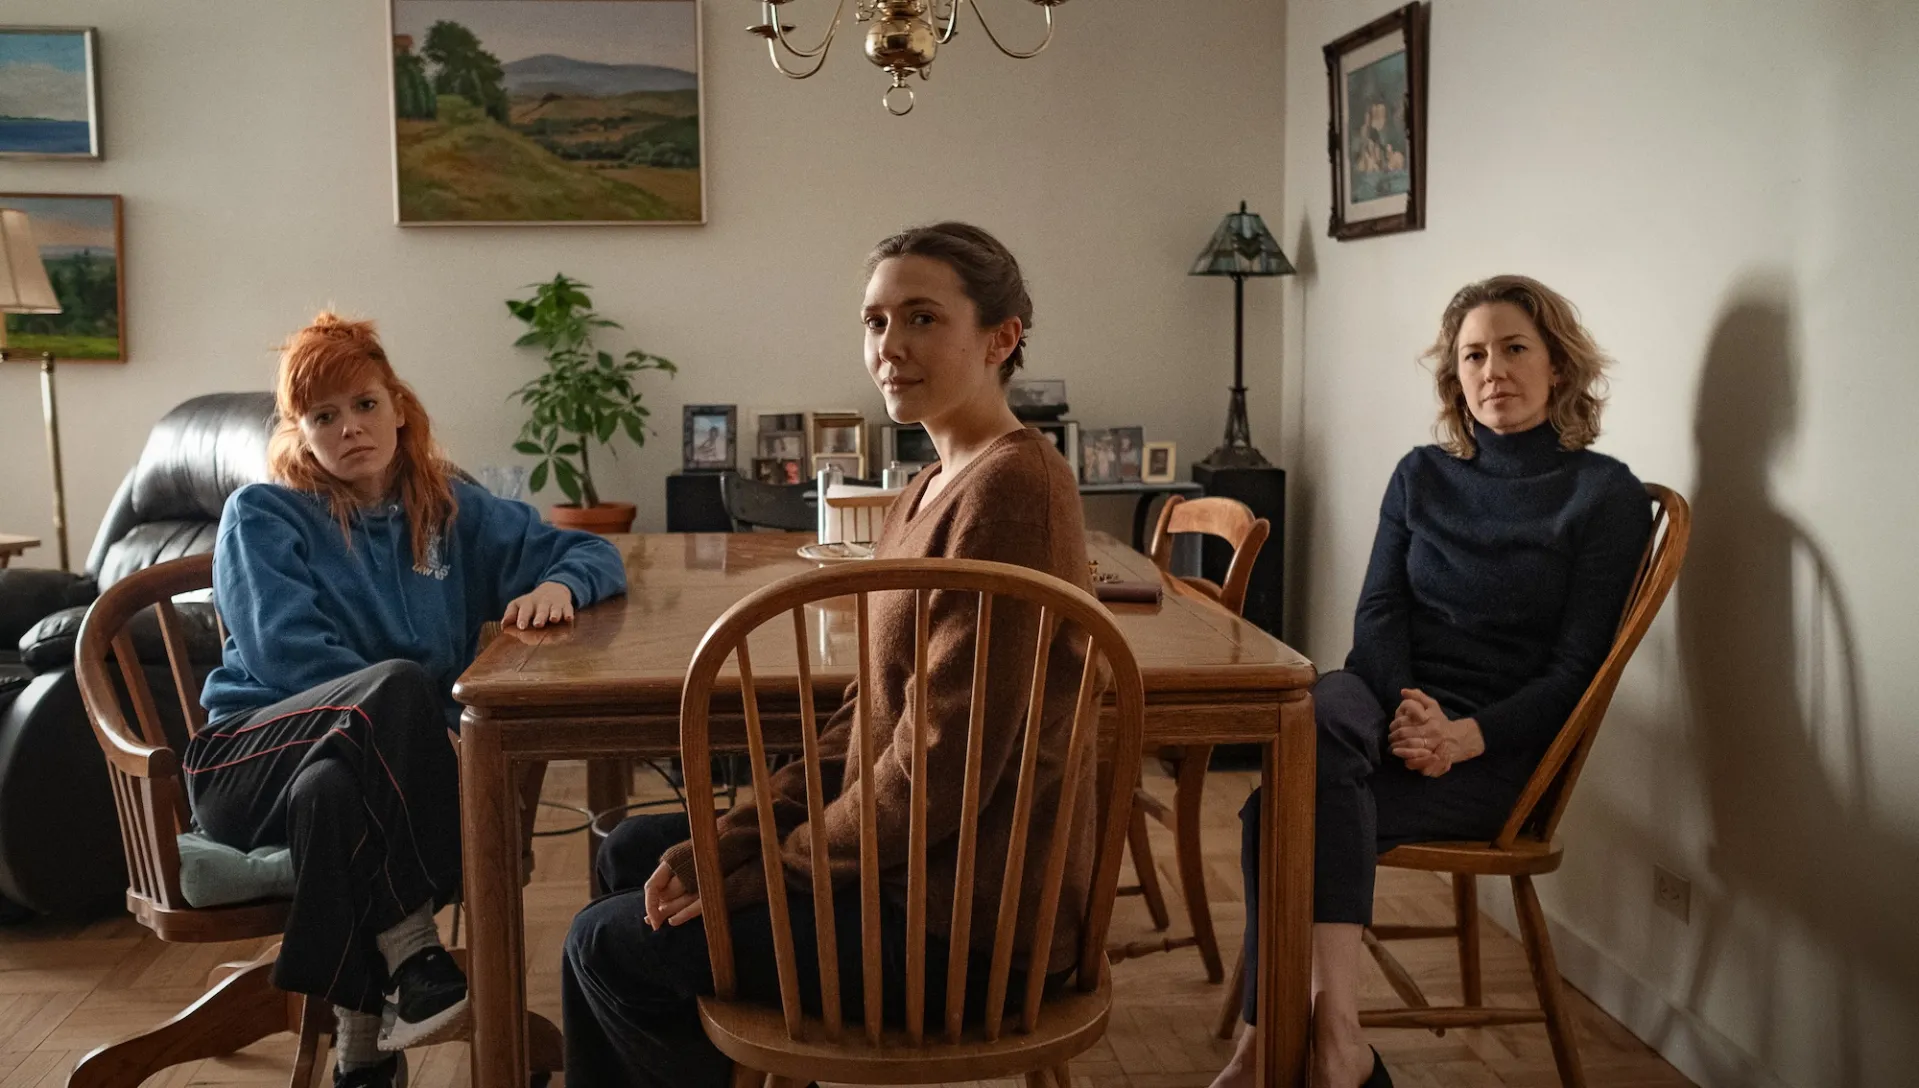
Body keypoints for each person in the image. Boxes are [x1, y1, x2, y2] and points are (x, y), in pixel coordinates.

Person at [563, 222, 1094, 1086]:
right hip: (910, 869)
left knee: (605, 943)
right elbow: (862, 722)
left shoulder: (1012, 489)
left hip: (959, 923)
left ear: (1001, 338)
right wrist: (738, 837)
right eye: (875, 322)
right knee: (634, 851)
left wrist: (771, 871)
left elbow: (939, 769)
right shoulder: (926, 487)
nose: (889, 346)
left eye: (922, 318)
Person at [1211, 277, 1653, 1088]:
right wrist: (1412, 714)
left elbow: (1577, 672)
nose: (1493, 370)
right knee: (1313, 714)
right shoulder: (1420, 474)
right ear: (1455, 375)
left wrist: (1464, 736)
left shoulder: (1604, 495)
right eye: (1472, 355)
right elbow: (1378, 614)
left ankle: (1268, 1046)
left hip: (1499, 749)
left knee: (1277, 806)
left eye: (1513, 348)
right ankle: (1336, 1047)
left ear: (1557, 365)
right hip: (1387, 701)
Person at [185, 313, 628, 1088]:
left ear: (397, 405)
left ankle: (362, 1054)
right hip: (249, 762)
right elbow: (290, 660)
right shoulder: (262, 516)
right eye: (324, 417)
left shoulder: (448, 510)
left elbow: (591, 548)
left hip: (357, 783)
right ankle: (415, 951)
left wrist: (560, 584)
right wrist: (422, 725)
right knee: (394, 688)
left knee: (334, 791)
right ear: (300, 434)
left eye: (364, 404)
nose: (350, 429)